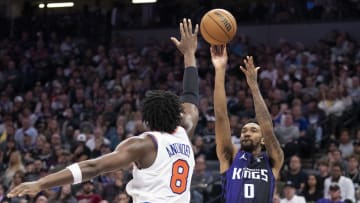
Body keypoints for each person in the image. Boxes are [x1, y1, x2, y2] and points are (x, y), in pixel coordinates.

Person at [7, 18, 200, 203]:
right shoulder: (185, 131)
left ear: (146, 121)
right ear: (176, 114)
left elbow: (93, 167)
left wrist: (41, 183)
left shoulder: (143, 144)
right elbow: (190, 94)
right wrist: (189, 53)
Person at [211, 47, 284, 202]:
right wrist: (219, 69)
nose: (246, 133)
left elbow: (267, 127)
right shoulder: (230, 156)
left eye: (253, 130)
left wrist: (253, 86)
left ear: (263, 139)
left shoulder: (273, 160)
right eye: (244, 130)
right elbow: (221, 115)